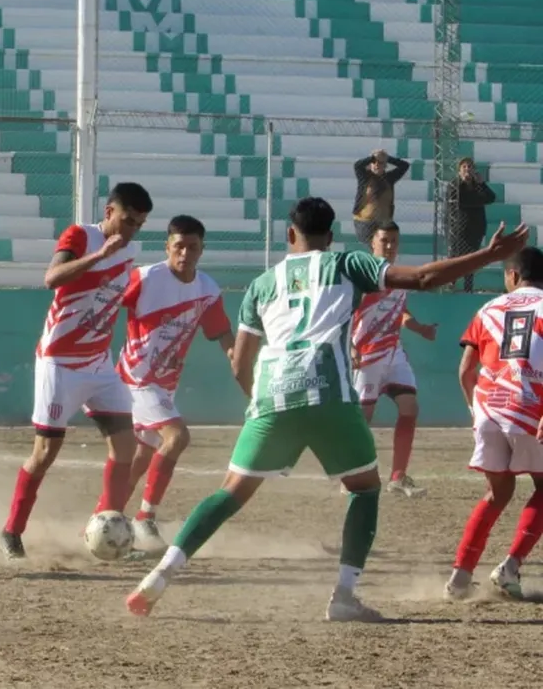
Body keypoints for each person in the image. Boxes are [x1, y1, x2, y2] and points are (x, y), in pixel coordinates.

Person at [125, 196, 528, 622]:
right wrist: (489, 254)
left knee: (228, 493)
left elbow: (241, 362)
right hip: (329, 392)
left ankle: (160, 576)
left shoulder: (263, 284)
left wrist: (259, 404)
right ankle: (344, 595)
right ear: (331, 237)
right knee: (366, 488)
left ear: (289, 235)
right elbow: (425, 277)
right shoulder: (347, 264)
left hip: (272, 396)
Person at [0, 182, 152, 560]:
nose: (132, 229)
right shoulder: (80, 235)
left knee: (125, 447)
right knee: (46, 452)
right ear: (109, 211)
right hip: (59, 361)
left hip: (99, 362)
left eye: (139, 224)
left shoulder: (130, 249)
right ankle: (12, 531)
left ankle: (105, 529)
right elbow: (52, 278)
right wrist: (99, 254)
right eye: (127, 220)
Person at [101, 215, 234, 554]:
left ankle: (101, 523)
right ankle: (145, 519)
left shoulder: (207, 289)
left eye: (192, 247)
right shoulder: (146, 278)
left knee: (138, 462)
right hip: (136, 379)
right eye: (178, 247)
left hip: (164, 386)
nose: (185, 254)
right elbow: (108, 304)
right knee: (177, 437)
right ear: (167, 247)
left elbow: (221, 333)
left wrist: (240, 361)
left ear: (202, 249)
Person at [446, 247, 543, 601]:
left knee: (497, 493)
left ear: (513, 276)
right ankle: (510, 567)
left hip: (489, 407)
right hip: (531, 409)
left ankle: (459, 577)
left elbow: (464, 370)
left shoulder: (488, 308)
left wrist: (476, 411)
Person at [350, 222, 438, 499]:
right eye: (384, 240)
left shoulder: (398, 276)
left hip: (393, 352)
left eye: (394, 241)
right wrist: (351, 347)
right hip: (367, 355)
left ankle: (398, 477)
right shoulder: (362, 277)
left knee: (409, 407)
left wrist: (419, 327)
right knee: (363, 419)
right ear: (372, 243)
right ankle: (352, 474)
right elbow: (347, 311)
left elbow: (400, 310)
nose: (389, 246)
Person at [446, 158, 497, 293]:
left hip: (476, 229)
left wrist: (482, 184)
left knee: (472, 260)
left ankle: (468, 288)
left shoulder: (477, 185)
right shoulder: (454, 185)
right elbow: (463, 201)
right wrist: (479, 200)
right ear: (459, 170)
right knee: (455, 258)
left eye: (470, 167)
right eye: (464, 167)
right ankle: (451, 283)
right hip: (458, 229)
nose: (467, 169)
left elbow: (491, 198)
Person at [352, 149, 410, 243]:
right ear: (370, 164)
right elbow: (357, 165)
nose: (376, 165)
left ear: (385, 165)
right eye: (374, 162)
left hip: (383, 222)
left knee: (384, 244)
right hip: (364, 222)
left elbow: (405, 165)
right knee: (374, 245)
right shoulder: (365, 177)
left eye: (380, 163)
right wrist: (372, 157)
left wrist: (387, 158)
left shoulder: (389, 178)